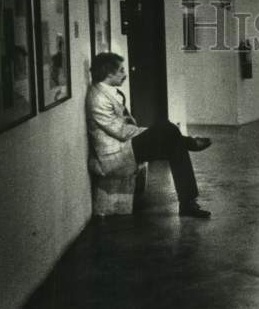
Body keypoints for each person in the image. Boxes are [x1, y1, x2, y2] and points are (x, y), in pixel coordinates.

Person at [86, 52, 213, 218]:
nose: (125, 74)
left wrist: (150, 133)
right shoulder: (97, 98)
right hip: (114, 155)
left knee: (175, 143)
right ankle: (189, 143)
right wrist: (149, 132)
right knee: (166, 128)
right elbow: (121, 131)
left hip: (125, 146)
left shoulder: (109, 92)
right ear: (109, 73)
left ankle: (188, 203)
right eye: (121, 71)